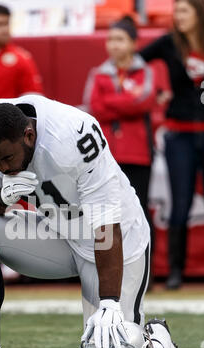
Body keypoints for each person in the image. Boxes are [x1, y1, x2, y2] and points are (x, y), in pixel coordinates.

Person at [0, 95, 180, 348]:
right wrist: (0, 197)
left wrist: (109, 303)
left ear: (29, 136)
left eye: (7, 159)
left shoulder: (73, 137)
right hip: (59, 233)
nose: (2, 168)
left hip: (114, 242)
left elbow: (105, 224)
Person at [140, 0, 204, 289]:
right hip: (179, 134)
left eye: (184, 11)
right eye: (176, 11)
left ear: (199, 13)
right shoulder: (168, 44)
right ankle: (175, 272)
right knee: (180, 201)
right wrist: (151, 92)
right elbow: (134, 60)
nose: (178, 17)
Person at [84, 16, 156, 252]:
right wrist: (125, 102)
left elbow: (142, 101)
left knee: (139, 209)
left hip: (138, 153)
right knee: (106, 211)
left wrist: (111, 102)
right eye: (111, 39)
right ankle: (107, 267)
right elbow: (94, 107)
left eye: (120, 39)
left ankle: (147, 268)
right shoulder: (98, 73)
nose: (114, 45)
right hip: (106, 155)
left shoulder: (145, 72)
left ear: (134, 43)